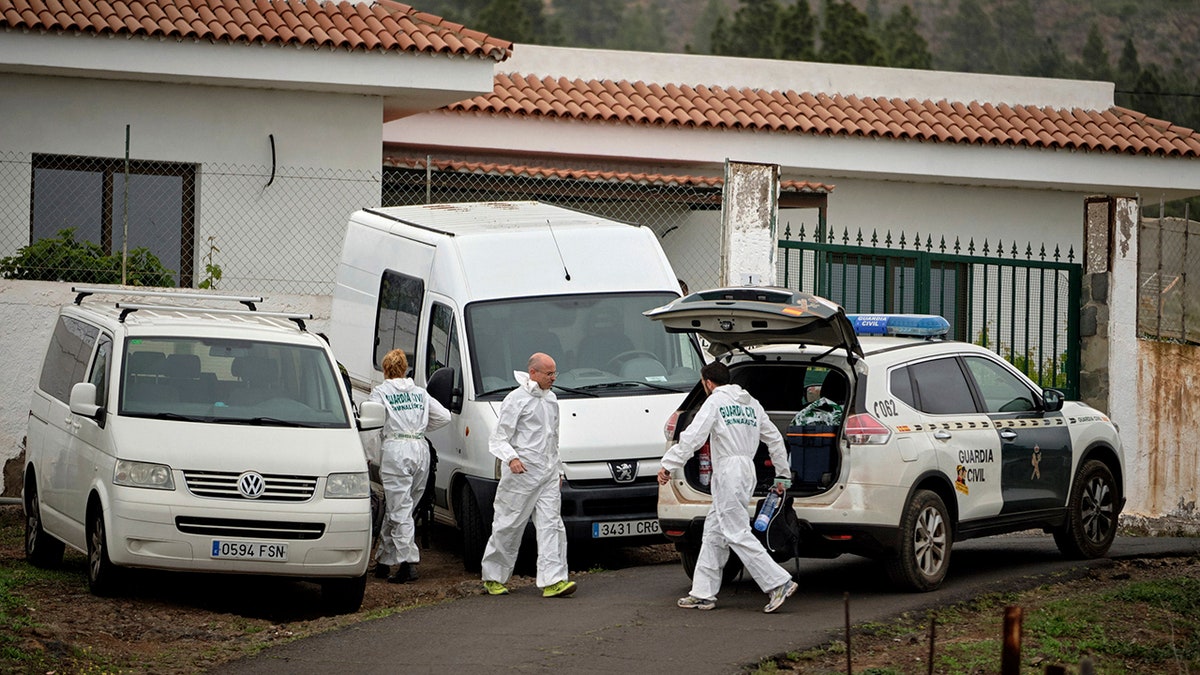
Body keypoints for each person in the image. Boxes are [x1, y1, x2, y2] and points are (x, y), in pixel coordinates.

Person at [657, 361, 798, 613]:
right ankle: (703, 593)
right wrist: (782, 475)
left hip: (728, 471)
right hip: (746, 470)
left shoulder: (715, 402)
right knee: (714, 532)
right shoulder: (751, 403)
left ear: (707, 383)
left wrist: (669, 464)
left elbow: (693, 437)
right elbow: (774, 438)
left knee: (735, 532)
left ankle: (778, 582)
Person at [480, 352, 577, 598]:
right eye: (549, 373)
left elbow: (553, 438)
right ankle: (493, 577)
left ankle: (553, 580)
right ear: (533, 373)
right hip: (521, 474)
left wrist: (559, 469)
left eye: (555, 373)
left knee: (552, 525)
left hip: (547, 473)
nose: (553, 378)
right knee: (508, 524)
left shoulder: (551, 399)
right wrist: (511, 458)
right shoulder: (516, 399)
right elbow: (499, 436)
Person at [369, 348, 451, 583]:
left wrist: (368, 453)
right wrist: (420, 428)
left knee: (399, 509)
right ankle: (384, 560)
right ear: (405, 369)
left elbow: (372, 424)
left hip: (396, 451)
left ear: (385, 369)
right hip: (420, 449)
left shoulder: (381, 393)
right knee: (403, 508)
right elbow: (444, 416)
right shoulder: (420, 393)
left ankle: (407, 563)